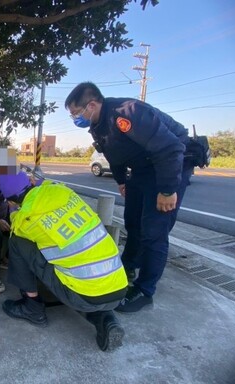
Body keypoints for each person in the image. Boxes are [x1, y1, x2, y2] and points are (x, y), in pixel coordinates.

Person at [65, 82, 194, 313]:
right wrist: (122, 181)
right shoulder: (98, 123)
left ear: (92, 105)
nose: (75, 118)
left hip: (167, 166)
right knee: (133, 222)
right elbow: (114, 155)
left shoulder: (126, 114)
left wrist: (166, 190)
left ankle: (145, 290)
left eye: (76, 113)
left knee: (154, 230)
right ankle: (130, 265)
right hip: (141, 170)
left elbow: (171, 148)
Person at [0, 171, 128, 351]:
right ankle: (106, 318)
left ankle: (32, 307)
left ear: (10, 200)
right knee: (83, 272)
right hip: (119, 287)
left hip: (83, 295)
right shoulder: (63, 192)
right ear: (32, 181)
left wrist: (13, 212)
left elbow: (16, 224)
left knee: (17, 242)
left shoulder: (25, 218)